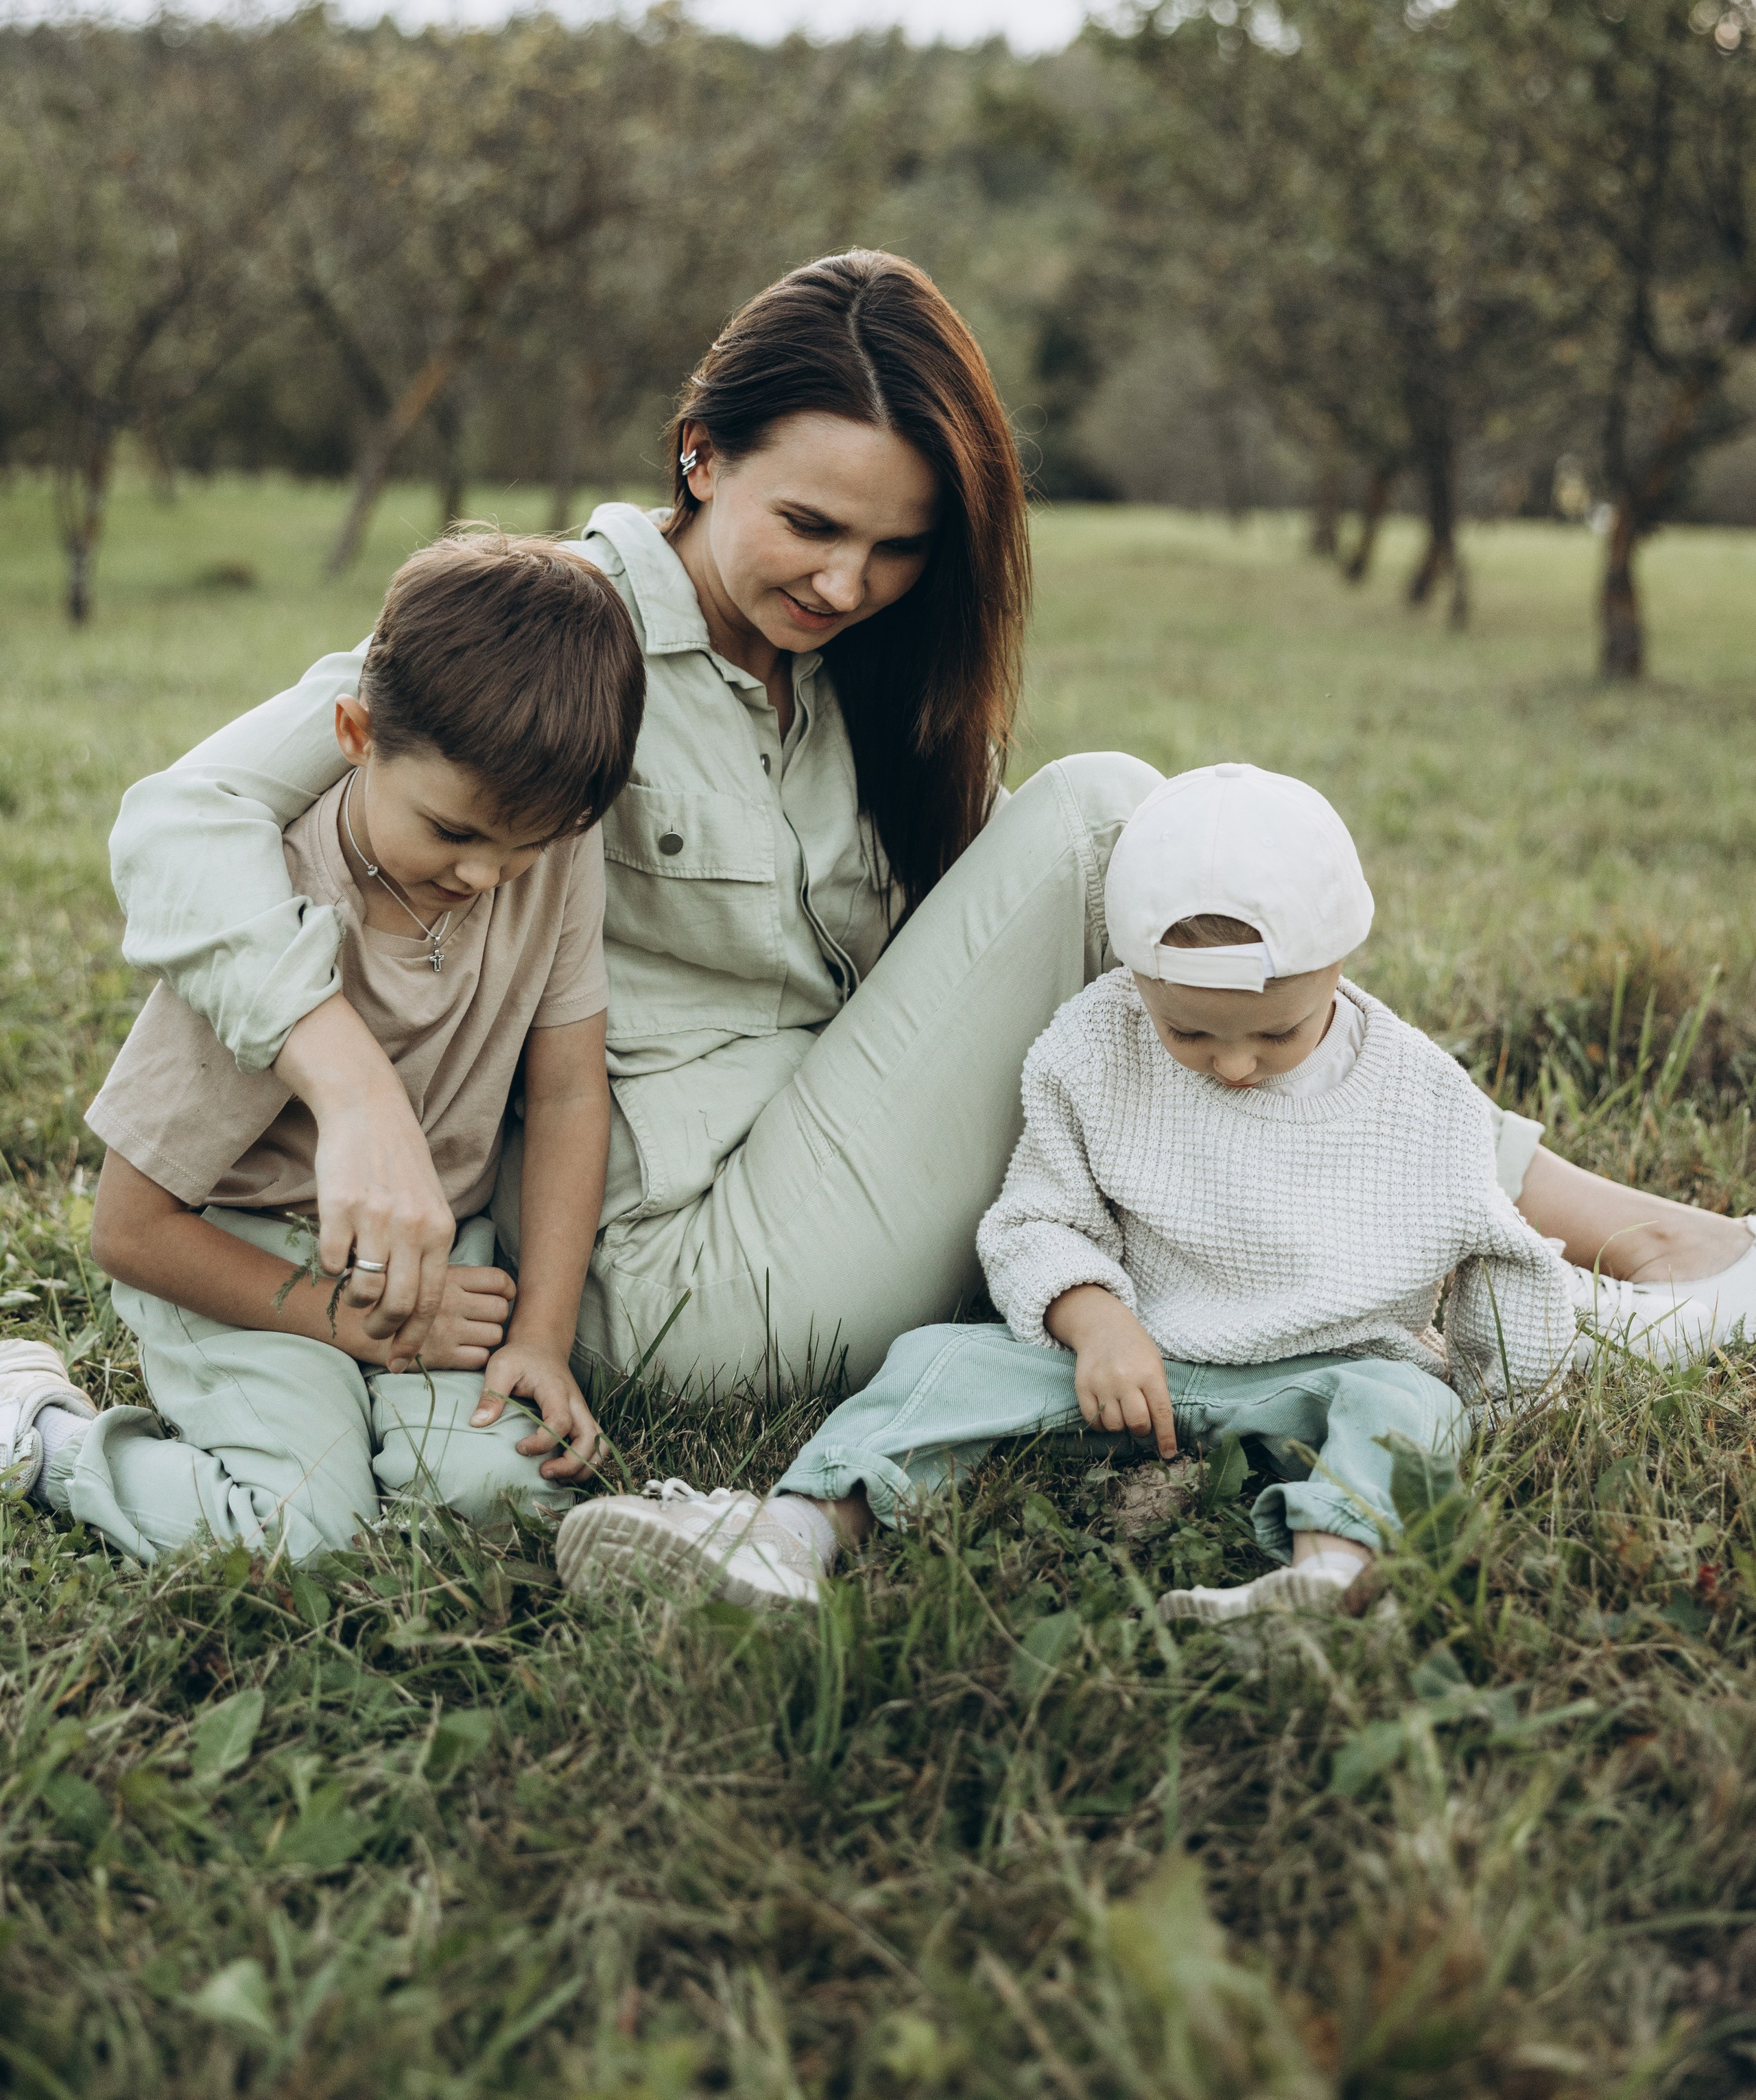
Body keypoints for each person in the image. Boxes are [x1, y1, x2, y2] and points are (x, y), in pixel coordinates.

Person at [99, 253, 1753, 1418]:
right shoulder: (555, 638)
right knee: (1107, 817)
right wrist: (346, 1080)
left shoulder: (848, 679)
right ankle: (1610, 1238)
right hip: (683, 1267)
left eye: (897, 551)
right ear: (699, 456)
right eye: (808, 524)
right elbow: (181, 815)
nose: (846, 583)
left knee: (1136, 916)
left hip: (852, 1165)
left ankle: (1491, 1263)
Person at [549, 766, 1589, 1618]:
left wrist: (1508, 1391)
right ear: (1133, 971)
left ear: (1341, 960)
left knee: (1411, 1406)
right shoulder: (1093, 1047)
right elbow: (1038, 1220)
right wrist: (1096, 1325)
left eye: (1277, 1034)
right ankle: (790, 1534)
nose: (1234, 1066)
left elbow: (1501, 1255)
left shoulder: (1417, 1092)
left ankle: (1327, 1574)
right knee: (939, 1362)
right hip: (1124, 1363)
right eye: (1190, 1032)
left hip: (1324, 1374)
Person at [0, 531, 643, 1562]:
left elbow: (569, 1092)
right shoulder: (263, 920)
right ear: (354, 733)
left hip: (436, 1265)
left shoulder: (552, 854)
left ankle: (388, 1418)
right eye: (454, 833)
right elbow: (129, 1229)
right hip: (241, 1265)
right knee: (306, 1535)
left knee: (511, 1500)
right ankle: (42, 1436)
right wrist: (352, 1324)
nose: (487, 877)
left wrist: (541, 1338)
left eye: (528, 845)